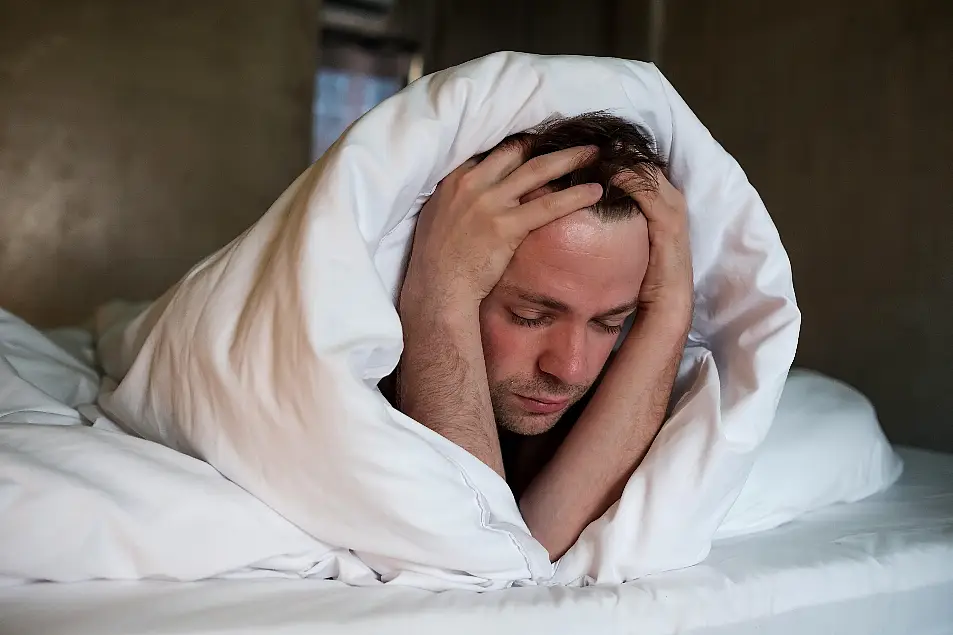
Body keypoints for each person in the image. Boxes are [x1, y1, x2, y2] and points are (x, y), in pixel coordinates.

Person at [386, 112, 693, 560]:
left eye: (609, 323)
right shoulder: (343, 385)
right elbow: (478, 555)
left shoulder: (606, 390)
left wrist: (670, 311)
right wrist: (438, 293)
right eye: (530, 316)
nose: (571, 369)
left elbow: (518, 562)